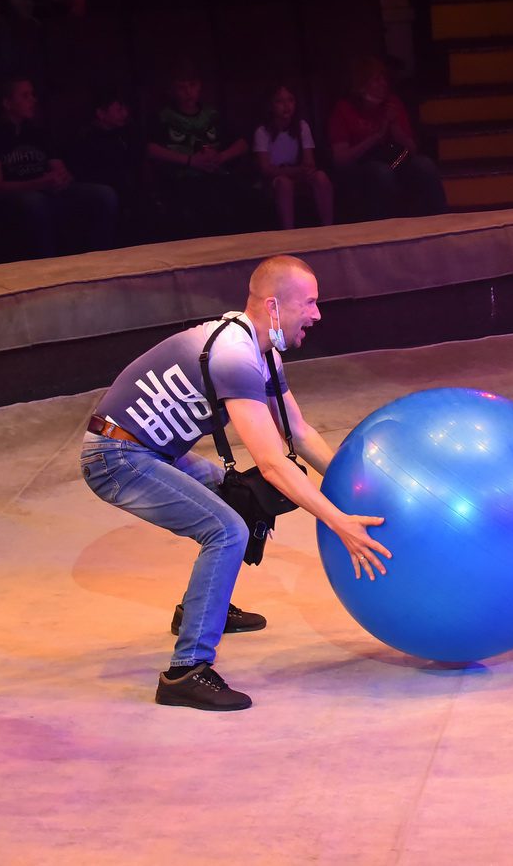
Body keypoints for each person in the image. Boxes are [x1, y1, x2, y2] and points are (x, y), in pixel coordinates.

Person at [80, 255, 392, 711]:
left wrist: (353, 488)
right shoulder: (235, 356)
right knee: (227, 530)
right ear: (273, 306)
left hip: (150, 451)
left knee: (238, 500)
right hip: (115, 457)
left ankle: (200, 609)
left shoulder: (262, 352)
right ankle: (186, 672)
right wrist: (339, 521)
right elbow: (272, 464)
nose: (317, 314)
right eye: (308, 302)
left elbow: (298, 431)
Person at [0, 75, 117, 260]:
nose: (33, 100)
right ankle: (48, 263)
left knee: (104, 194)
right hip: (20, 194)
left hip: (50, 189)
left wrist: (62, 178)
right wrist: (38, 183)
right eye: (25, 96)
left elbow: (58, 167)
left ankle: (99, 258)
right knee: (34, 202)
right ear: (7, 103)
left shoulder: (38, 133)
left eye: (33, 95)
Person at [147, 60, 260, 239]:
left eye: (192, 85)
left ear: (199, 86)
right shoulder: (163, 117)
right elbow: (151, 149)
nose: (188, 92)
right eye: (182, 87)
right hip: (181, 179)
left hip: (216, 174)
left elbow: (242, 144)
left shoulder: (212, 114)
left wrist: (221, 157)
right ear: (173, 90)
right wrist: (190, 161)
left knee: (243, 196)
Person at [328, 57, 446, 221]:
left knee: (424, 165)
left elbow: (412, 149)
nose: (383, 83)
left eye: (384, 78)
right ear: (362, 84)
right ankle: (388, 229)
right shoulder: (344, 108)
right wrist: (375, 137)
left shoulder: (392, 103)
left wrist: (394, 126)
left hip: (393, 160)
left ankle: (440, 222)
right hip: (361, 164)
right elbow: (340, 158)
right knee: (381, 173)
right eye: (377, 80)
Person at [69, 84, 149, 244]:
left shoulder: (125, 133)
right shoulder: (88, 139)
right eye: (119, 110)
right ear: (101, 113)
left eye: (124, 109)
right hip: (104, 190)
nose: (125, 114)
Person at [254, 83, 333, 230]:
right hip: (275, 177)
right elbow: (266, 168)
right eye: (280, 101)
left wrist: (305, 170)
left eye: (290, 100)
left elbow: (309, 161)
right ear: (271, 105)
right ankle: (289, 232)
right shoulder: (262, 131)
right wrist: (294, 170)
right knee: (284, 183)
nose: (286, 106)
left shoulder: (302, 126)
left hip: (298, 173)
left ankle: (328, 228)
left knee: (321, 177)